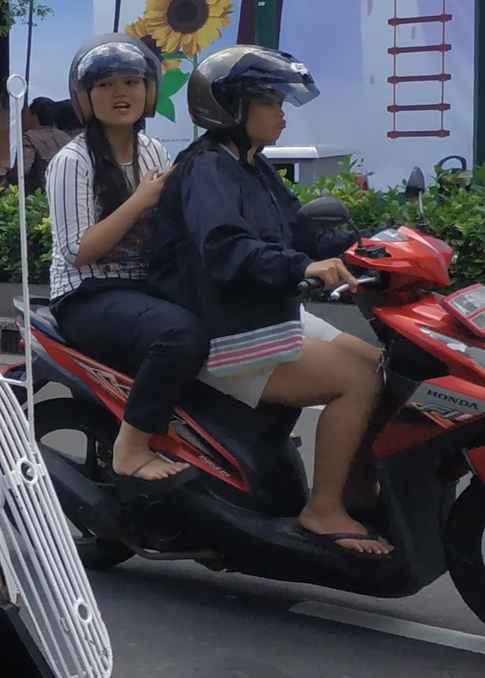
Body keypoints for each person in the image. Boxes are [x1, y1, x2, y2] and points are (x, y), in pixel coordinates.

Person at [151, 45, 390, 554]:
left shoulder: (252, 165)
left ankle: (352, 484)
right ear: (232, 107)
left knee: (386, 366)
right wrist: (301, 268)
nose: (282, 112)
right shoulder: (207, 170)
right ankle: (322, 509)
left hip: (263, 313)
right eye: (270, 101)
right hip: (225, 327)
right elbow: (226, 250)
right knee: (361, 381)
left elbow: (301, 231)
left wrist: (376, 247)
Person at [45, 36, 208, 486]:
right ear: (85, 97)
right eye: (107, 84)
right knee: (179, 335)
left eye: (133, 81)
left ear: (150, 90)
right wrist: (139, 201)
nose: (122, 93)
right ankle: (131, 447)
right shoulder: (72, 162)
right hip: (86, 293)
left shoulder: (153, 151)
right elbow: (78, 251)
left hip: (143, 286)